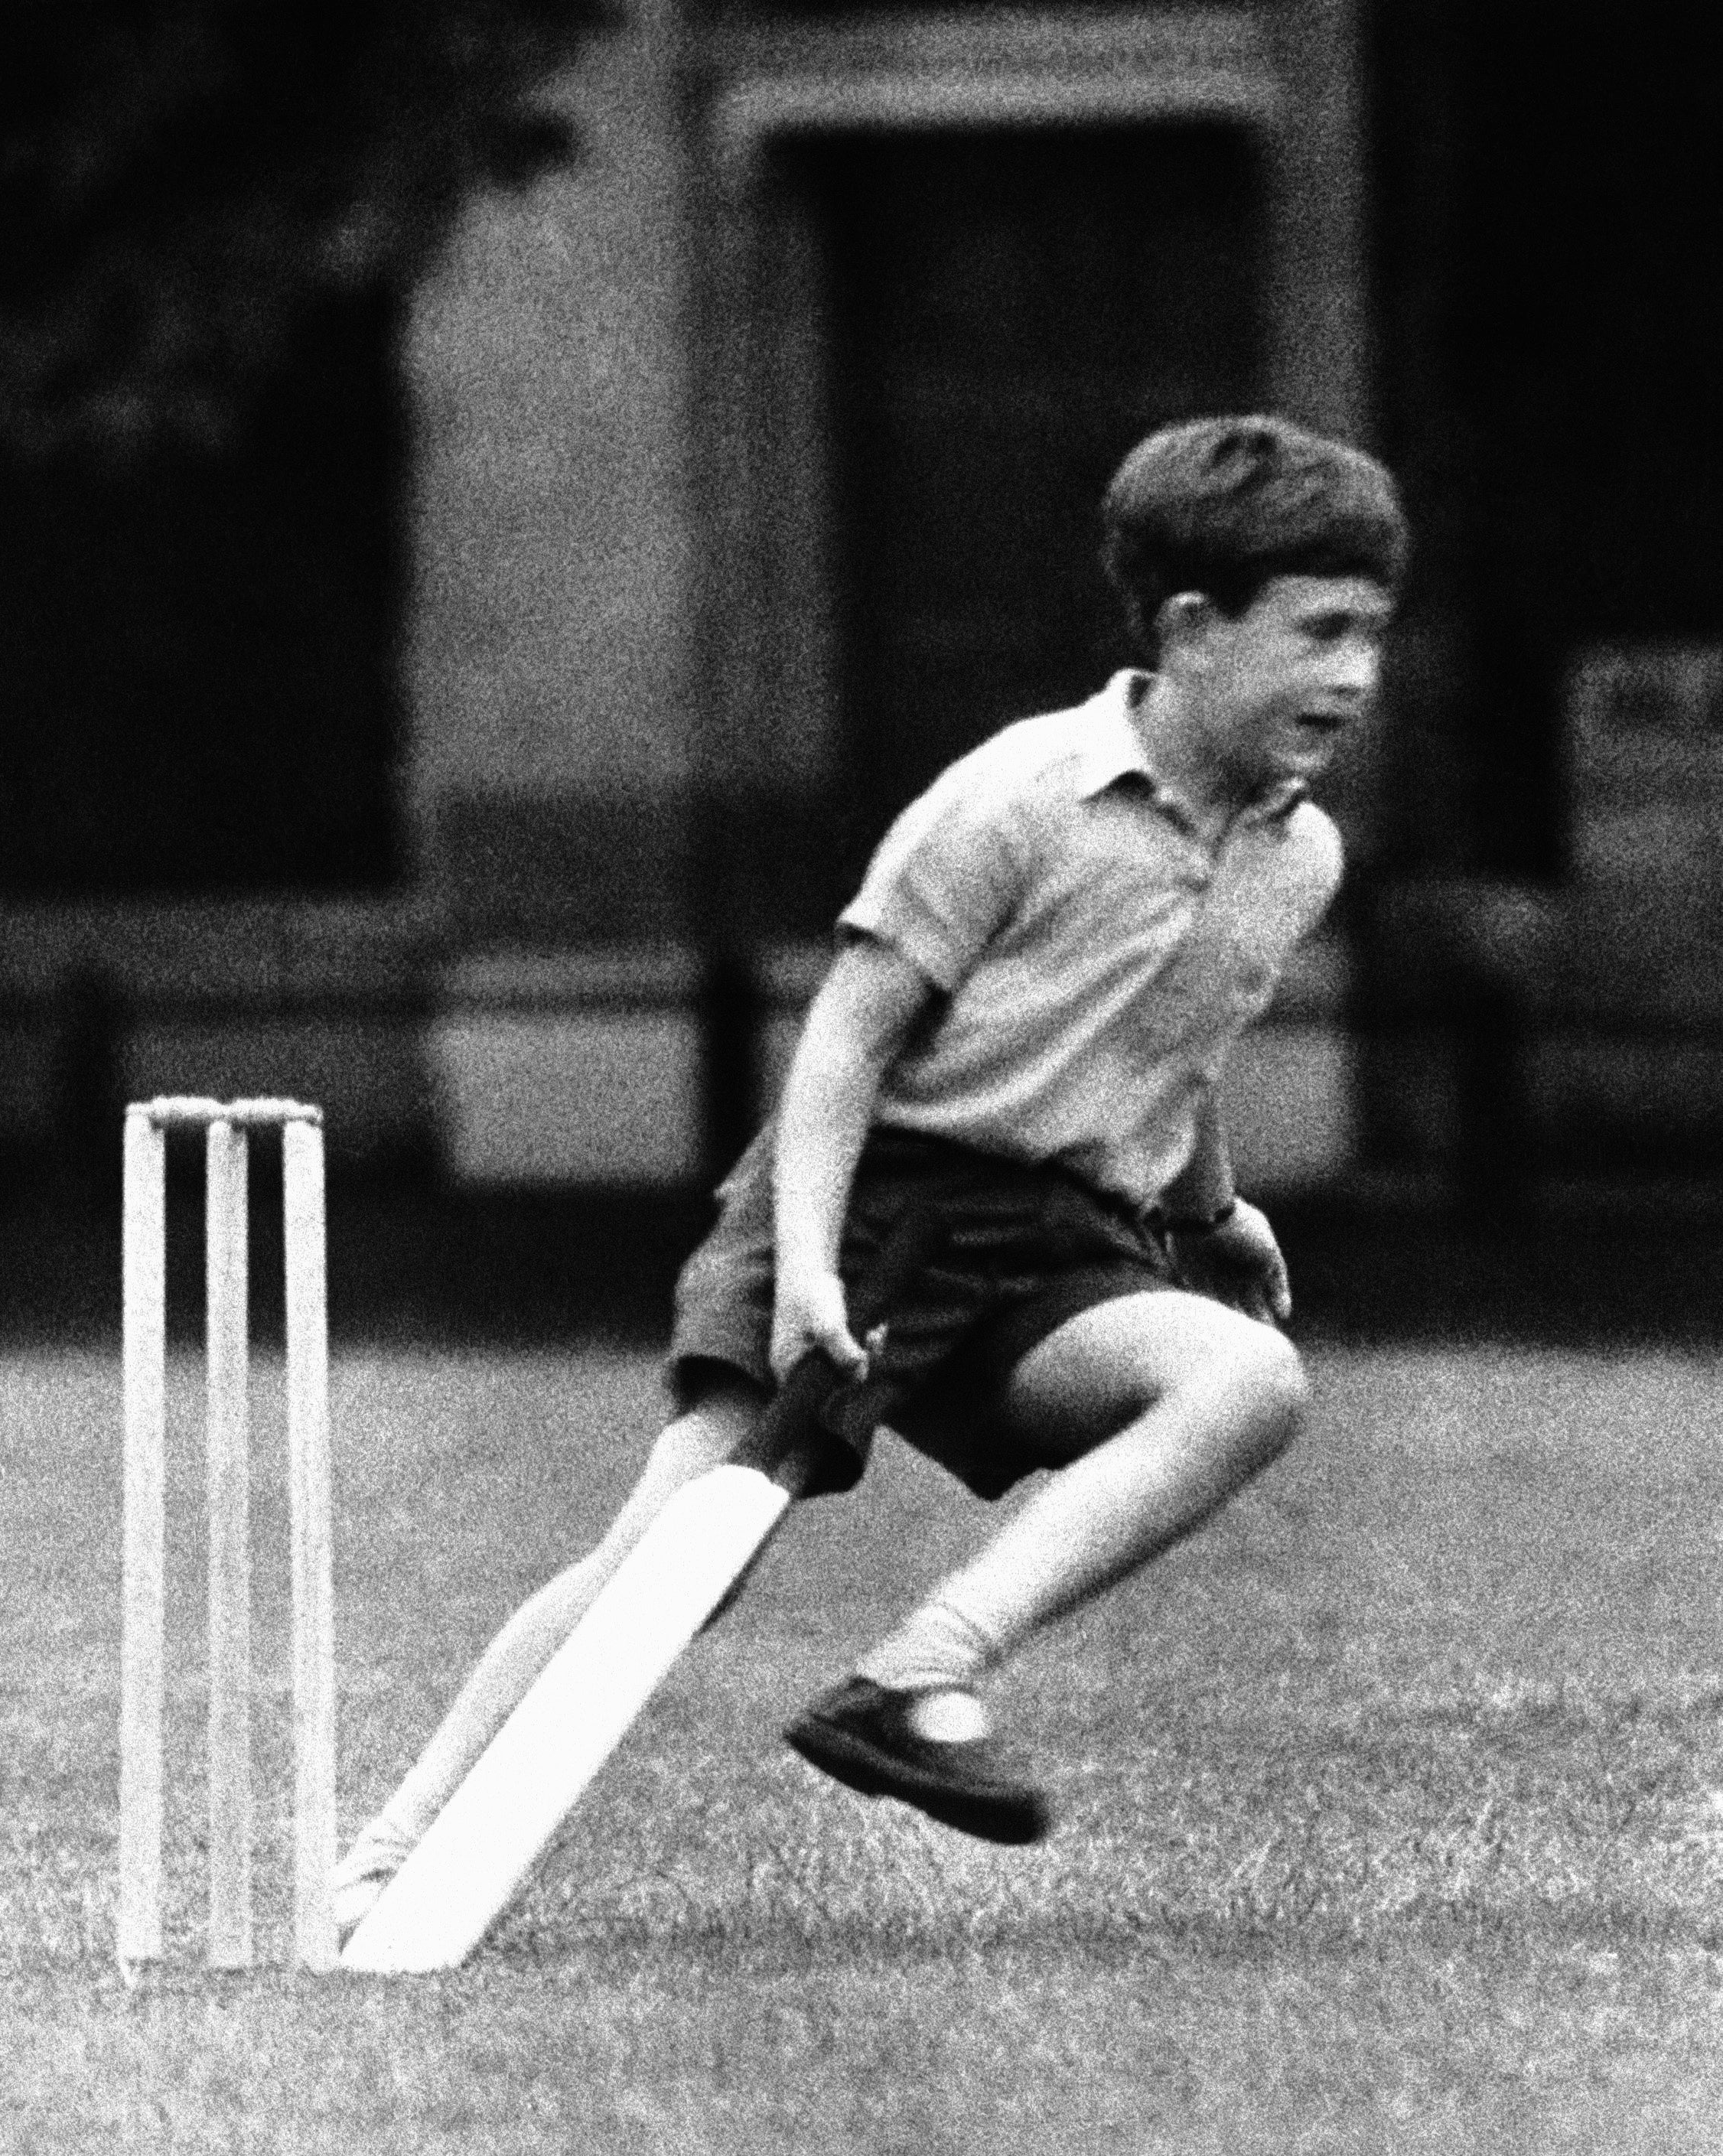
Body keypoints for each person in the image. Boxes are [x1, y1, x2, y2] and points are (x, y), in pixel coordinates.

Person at [334, 412, 1408, 1932]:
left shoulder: (1293, 857)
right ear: (1191, 629)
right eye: (1318, 635)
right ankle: (393, 1848)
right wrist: (815, 1274)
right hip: (871, 1201)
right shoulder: (1014, 800)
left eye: (1371, 636)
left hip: (1056, 1242)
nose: (1354, 678)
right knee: (673, 1567)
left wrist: (1206, 1206)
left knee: (1243, 1381)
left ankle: (917, 1674)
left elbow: (1177, 1030)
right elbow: (841, 1048)